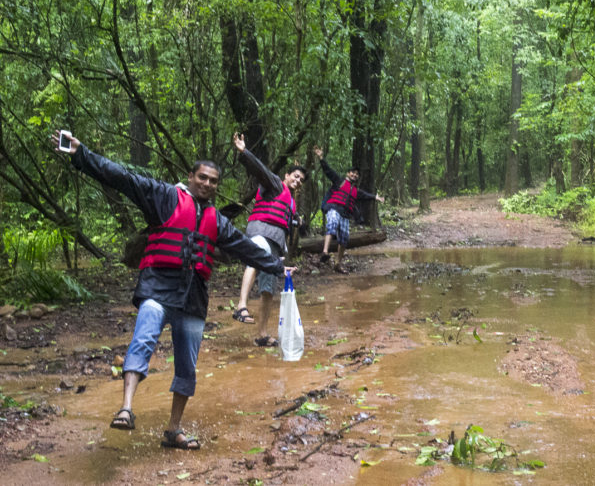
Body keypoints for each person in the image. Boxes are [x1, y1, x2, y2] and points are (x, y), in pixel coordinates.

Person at [52, 132, 291, 450]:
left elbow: (246, 248)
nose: (207, 184)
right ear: (190, 177)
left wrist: (278, 267)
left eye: (213, 181)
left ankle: (174, 429)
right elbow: (123, 178)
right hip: (158, 287)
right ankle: (126, 407)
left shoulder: (216, 221)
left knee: (187, 365)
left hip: (193, 298)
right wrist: (81, 154)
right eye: (202, 177)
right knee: (144, 338)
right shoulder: (162, 196)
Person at [231, 132, 306, 347]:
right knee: (257, 258)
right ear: (286, 175)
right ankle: (241, 305)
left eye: (301, 180)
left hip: (275, 244)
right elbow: (260, 170)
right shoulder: (275, 184)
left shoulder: (291, 203)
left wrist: (297, 222)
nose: (298, 181)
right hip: (259, 233)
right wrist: (244, 152)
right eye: (295, 176)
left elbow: (289, 224)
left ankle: (262, 334)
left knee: (268, 289)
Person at [314, 146, 383, 273]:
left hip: (345, 214)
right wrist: (321, 157)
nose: (355, 175)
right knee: (332, 223)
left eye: (357, 174)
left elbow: (366, 196)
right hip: (333, 208)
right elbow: (328, 171)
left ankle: (338, 264)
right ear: (348, 173)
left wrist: (375, 197)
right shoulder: (339, 181)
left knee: (344, 239)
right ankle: (325, 251)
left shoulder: (356, 191)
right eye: (353, 172)